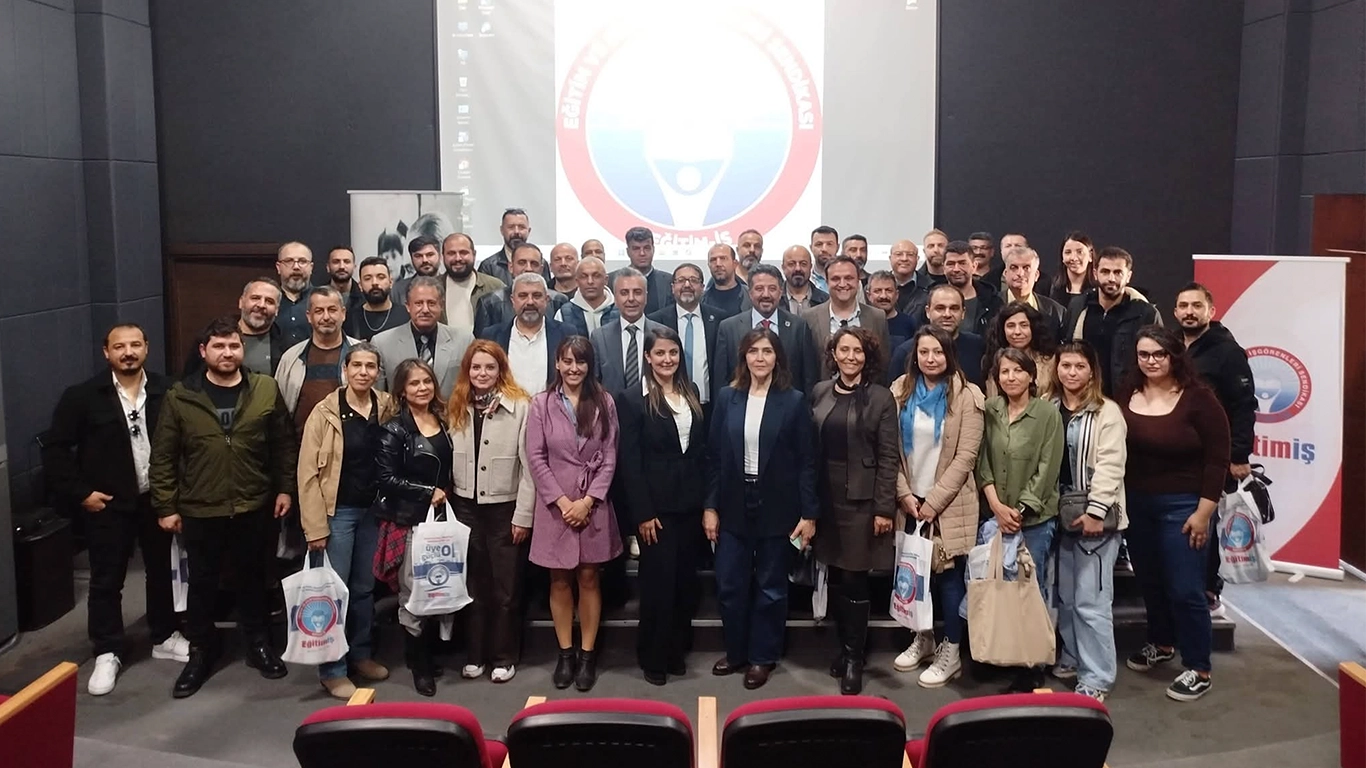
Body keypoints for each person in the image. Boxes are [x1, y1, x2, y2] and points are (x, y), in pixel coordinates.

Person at [151, 316, 297, 699]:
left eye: (233, 346)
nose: (227, 353)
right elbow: (163, 456)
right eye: (219, 346)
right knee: (202, 583)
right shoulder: (181, 396)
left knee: (254, 579)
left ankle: (258, 644)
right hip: (201, 507)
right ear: (204, 351)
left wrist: (285, 489)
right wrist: (166, 506)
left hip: (254, 503)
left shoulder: (264, 388)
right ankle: (201, 652)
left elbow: (283, 444)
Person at [44, 324, 183, 696]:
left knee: (161, 572)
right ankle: (108, 649)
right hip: (108, 503)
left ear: (146, 348)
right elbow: (56, 450)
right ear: (106, 352)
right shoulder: (83, 397)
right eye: (119, 346)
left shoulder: (168, 390)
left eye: (135, 344)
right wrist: (81, 493)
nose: (128, 352)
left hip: (156, 499)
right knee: (107, 580)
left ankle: (164, 635)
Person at [1120, 326, 1229, 702]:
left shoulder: (1199, 399)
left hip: (1184, 506)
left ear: (1173, 356)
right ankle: (1162, 643)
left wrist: (1204, 513)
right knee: (1150, 583)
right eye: (1143, 354)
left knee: (1185, 590)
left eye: (1159, 354)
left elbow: (1217, 460)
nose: (1151, 361)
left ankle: (1199, 667)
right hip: (1137, 505)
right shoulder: (1127, 393)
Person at [706, 328, 818, 690]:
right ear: (744, 357)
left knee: (771, 586)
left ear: (777, 358)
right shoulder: (727, 397)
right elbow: (715, 457)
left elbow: (807, 462)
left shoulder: (793, 401)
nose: (759, 358)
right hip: (733, 502)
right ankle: (736, 651)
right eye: (753, 351)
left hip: (778, 504)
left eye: (767, 351)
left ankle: (762, 657)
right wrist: (710, 506)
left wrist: (809, 514)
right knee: (730, 583)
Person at [297, 342, 395, 698]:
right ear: (345, 370)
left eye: (370, 366)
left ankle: (361, 654)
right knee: (333, 593)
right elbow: (307, 474)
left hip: (373, 513)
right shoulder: (324, 413)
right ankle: (332, 669)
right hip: (336, 513)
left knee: (364, 589)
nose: (363, 372)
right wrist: (314, 528)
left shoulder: (386, 406)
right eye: (357, 366)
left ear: (378, 372)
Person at [889, 325, 984, 688]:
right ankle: (924, 638)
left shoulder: (967, 395)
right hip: (909, 501)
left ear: (950, 355)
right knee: (917, 576)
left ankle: (952, 651)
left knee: (947, 579)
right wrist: (905, 495)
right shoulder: (900, 390)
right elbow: (889, 450)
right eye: (924, 352)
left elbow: (966, 457)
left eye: (938, 352)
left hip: (948, 503)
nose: (931, 359)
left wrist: (933, 502)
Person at [526, 337, 622, 692]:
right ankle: (565, 653)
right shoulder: (541, 403)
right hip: (556, 508)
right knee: (559, 580)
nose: (573, 368)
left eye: (580, 362)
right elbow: (536, 457)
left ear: (589, 365)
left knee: (589, 578)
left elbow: (610, 456)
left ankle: (587, 654)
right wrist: (564, 503)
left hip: (593, 506)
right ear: (557, 363)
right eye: (567, 361)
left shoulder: (604, 401)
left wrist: (589, 500)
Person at [617, 327, 708, 686]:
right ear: (648, 357)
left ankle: (675, 651)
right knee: (658, 585)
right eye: (660, 353)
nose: (667, 359)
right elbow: (630, 462)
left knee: (685, 582)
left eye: (673, 353)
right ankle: (653, 656)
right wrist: (643, 513)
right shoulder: (632, 399)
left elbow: (698, 451)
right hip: (655, 510)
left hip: (690, 505)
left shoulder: (691, 391)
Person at [810, 328, 899, 695]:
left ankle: (854, 659)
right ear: (833, 354)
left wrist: (884, 508)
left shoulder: (881, 397)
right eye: (843, 350)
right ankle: (843, 646)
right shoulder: (820, 391)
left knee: (854, 579)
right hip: (825, 499)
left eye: (857, 351)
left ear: (867, 356)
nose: (850, 357)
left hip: (861, 502)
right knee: (833, 575)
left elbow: (889, 457)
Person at [445, 341, 536, 684]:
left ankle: (503, 656)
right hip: (466, 507)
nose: (482, 374)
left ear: (501, 370)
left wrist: (523, 515)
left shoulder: (521, 405)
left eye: (489, 367)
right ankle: (475, 654)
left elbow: (529, 468)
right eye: (476, 367)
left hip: (505, 508)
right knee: (473, 585)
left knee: (505, 588)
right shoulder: (456, 403)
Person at [976, 346, 1063, 692]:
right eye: (1004, 372)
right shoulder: (990, 409)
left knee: (1030, 592)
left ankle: (1032, 663)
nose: (1011, 377)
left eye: (1018, 371)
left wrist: (1020, 510)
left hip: (1035, 520)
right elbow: (982, 461)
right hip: (995, 515)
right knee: (999, 588)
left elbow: (1048, 467)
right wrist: (996, 506)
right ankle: (1000, 655)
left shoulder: (1047, 413)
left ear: (1031, 376)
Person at [372, 358, 454, 696]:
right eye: (414, 383)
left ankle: (427, 655)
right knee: (413, 595)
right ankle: (418, 665)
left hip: (441, 520)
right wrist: (426, 492)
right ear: (402, 391)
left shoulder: (444, 419)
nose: (422, 388)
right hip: (408, 521)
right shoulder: (394, 429)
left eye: (427, 381)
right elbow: (385, 478)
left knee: (437, 588)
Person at [1051, 340, 1128, 702]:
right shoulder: (1049, 405)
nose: (1071, 372)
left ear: (1092, 371)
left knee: (1091, 602)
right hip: (1059, 515)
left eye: (1079, 366)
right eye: (1065, 365)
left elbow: (1111, 464)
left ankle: (1097, 677)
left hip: (1095, 518)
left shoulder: (1107, 412)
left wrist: (1096, 511)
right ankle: (1073, 656)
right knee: (1066, 598)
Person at [1175, 282, 1258, 616]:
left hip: (1214, 454)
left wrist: (1239, 454)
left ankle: (1209, 590)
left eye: (1197, 306)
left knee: (1208, 522)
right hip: (1179, 452)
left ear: (1211, 311)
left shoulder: (1227, 352)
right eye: (1184, 306)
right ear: (1175, 311)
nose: (1190, 312)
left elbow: (1244, 405)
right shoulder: (1171, 347)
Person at [1062, 246, 1161, 396]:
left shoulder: (1146, 313)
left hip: (1129, 398)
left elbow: (1158, 360)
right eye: (1105, 271)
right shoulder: (1078, 306)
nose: (1111, 279)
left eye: (1118, 273)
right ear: (1095, 273)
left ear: (1128, 276)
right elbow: (1065, 351)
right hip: (1084, 396)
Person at [713, 264, 819, 400]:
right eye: (759, 289)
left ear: (780, 292)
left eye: (772, 289)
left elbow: (809, 379)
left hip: (788, 407)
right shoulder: (728, 328)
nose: (766, 295)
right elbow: (721, 380)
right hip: (741, 405)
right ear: (750, 293)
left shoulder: (799, 327)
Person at [371, 276, 475, 396]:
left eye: (431, 303)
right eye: (418, 303)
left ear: (441, 305)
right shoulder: (382, 343)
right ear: (408, 306)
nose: (425, 310)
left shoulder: (464, 341)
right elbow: (378, 396)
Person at [274, 286, 360, 432]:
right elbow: (279, 411)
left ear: (343, 313)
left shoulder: (361, 354)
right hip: (300, 443)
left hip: (349, 443)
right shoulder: (290, 358)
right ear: (309, 316)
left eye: (332, 310)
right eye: (319, 311)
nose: (326, 317)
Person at [647, 263, 720, 420]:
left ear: (702, 287)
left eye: (693, 280)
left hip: (711, 406)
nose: (687, 285)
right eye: (681, 280)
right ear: (672, 288)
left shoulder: (720, 319)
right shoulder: (656, 321)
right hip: (669, 406)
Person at [478, 273, 569, 395]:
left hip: (551, 406)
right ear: (512, 300)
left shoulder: (566, 333)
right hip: (504, 406)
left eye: (537, 296)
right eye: (523, 296)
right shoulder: (492, 336)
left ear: (546, 300)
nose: (530, 302)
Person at [803, 256, 891, 381]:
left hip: (867, 391)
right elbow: (806, 368)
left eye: (849, 278)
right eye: (835, 279)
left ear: (858, 281)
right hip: (823, 392)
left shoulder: (877, 317)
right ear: (827, 282)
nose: (843, 284)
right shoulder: (809, 318)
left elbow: (883, 364)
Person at [182, 278, 286, 378]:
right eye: (255, 298)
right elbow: (190, 379)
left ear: (277, 310)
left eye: (269, 301)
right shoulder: (210, 336)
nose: (261, 305)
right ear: (241, 302)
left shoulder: (285, 345)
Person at [890, 284, 987, 388]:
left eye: (954, 308)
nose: (947, 314)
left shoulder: (977, 346)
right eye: (940, 308)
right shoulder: (905, 352)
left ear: (963, 313)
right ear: (928, 311)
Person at [590, 268, 667, 393]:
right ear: (615, 298)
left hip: (655, 404)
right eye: (624, 293)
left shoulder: (663, 335)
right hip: (612, 405)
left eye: (637, 292)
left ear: (646, 296)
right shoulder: (600, 337)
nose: (631, 298)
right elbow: (593, 383)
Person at [473, 243, 568, 336]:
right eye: (522, 263)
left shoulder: (558, 301)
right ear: (511, 267)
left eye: (534, 264)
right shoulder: (491, 302)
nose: (528, 268)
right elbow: (483, 343)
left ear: (541, 269)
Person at [982, 302, 1058, 399]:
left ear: (1033, 328)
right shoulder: (992, 361)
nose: (1017, 332)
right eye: (1011, 326)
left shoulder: (1049, 361)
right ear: (1002, 330)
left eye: (1024, 325)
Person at [991, 247, 1066, 339]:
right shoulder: (988, 307)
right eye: (1014, 268)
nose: (1020, 273)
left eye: (1026, 268)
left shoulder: (1057, 311)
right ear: (1005, 274)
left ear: (1036, 275)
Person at [442, 233, 506, 336]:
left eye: (463, 253)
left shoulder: (495, 287)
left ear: (474, 254)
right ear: (443, 256)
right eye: (451, 253)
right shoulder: (432, 288)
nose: (458, 258)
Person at [476, 207, 551, 284]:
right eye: (511, 227)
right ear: (502, 230)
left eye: (521, 227)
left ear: (529, 231)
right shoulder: (489, 266)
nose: (516, 232)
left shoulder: (541, 263)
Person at [609, 227, 674, 314]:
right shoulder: (612, 280)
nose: (642, 253)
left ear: (653, 249)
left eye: (647, 248)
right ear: (628, 252)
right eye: (636, 248)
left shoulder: (668, 281)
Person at [344, 257, 410, 341]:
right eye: (368, 278)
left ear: (390, 282)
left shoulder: (407, 315)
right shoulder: (349, 318)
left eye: (381, 277)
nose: (374, 283)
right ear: (360, 285)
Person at [556, 256, 618, 337]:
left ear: (606, 280)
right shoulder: (563, 314)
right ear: (577, 281)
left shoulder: (620, 310)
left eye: (596, 276)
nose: (590, 281)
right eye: (584, 276)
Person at [275, 241, 314, 347]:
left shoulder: (323, 300)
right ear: (278, 267)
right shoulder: (269, 301)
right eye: (289, 261)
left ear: (311, 267)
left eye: (302, 261)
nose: (296, 267)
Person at [391, 234, 443, 307]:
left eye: (430, 255)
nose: (425, 260)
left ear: (440, 256)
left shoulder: (450, 286)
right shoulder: (398, 290)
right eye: (418, 256)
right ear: (411, 259)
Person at [703, 243, 751, 318]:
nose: (718, 264)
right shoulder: (701, 300)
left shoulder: (750, 297)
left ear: (735, 264)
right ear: (709, 265)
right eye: (713, 260)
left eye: (723, 258)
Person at [1049, 231, 1096, 305]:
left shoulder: (1099, 291)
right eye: (1068, 252)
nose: (1073, 258)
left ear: (1090, 256)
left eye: (1080, 252)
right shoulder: (1052, 289)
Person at [780, 245, 828, 313]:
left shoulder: (826, 301)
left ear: (810, 267)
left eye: (803, 264)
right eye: (791, 264)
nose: (798, 269)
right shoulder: (775, 300)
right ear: (783, 267)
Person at [325, 246, 364, 312]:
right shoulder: (317, 296)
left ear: (354, 267)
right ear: (328, 267)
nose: (342, 266)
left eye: (347, 262)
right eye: (336, 262)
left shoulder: (365, 298)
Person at [809, 225, 839, 293]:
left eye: (829, 244)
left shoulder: (852, 278)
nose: (824, 249)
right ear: (811, 248)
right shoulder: (804, 277)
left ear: (837, 248)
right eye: (819, 244)